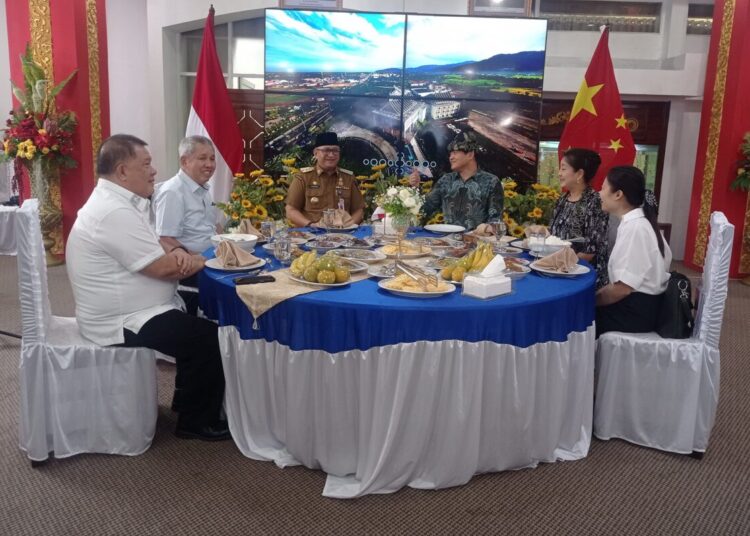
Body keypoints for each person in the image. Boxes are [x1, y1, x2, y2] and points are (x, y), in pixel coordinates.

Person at [65, 134, 229, 441]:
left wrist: (179, 256)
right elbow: (163, 267)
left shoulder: (119, 202)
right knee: (207, 337)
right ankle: (196, 423)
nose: (154, 171)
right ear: (123, 171)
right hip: (121, 318)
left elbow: (157, 246)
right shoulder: (113, 211)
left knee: (195, 326)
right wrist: (204, 261)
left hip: (132, 307)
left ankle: (185, 402)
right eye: (147, 164)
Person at [595, 165, 672, 337]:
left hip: (636, 313)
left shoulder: (636, 228)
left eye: (603, 188)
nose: (599, 193)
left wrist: (591, 301)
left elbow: (622, 289)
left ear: (618, 194)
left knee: (576, 318)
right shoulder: (640, 222)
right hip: (643, 307)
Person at [154, 135, 220, 314]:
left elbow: (210, 228)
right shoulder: (173, 192)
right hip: (193, 271)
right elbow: (165, 239)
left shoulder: (202, 189)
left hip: (212, 259)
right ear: (184, 161)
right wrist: (200, 259)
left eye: (212, 158)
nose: (210, 164)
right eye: (202, 158)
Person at [408, 132, 503, 230]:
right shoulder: (446, 180)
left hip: (476, 242)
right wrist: (415, 187)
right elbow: (425, 209)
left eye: (455, 153)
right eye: (450, 154)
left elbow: (496, 221)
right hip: (446, 241)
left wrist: (487, 229)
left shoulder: (491, 182)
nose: (451, 157)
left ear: (470, 155)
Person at [549, 148, 609, 288]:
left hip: (581, 276)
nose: (559, 173)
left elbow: (589, 252)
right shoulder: (563, 199)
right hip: (558, 269)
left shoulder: (594, 202)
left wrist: (555, 264)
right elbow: (555, 236)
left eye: (563, 169)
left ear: (579, 174)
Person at [285, 132, 365, 227]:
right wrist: (311, 225)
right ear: (316, 153)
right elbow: (291, 210)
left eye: (335, 151)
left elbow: (359, 210)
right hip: (311, 234)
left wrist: (350, 225)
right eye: (326, 150)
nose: (331, 155)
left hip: (343, 235)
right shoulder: (303, 177)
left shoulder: (348, 178)